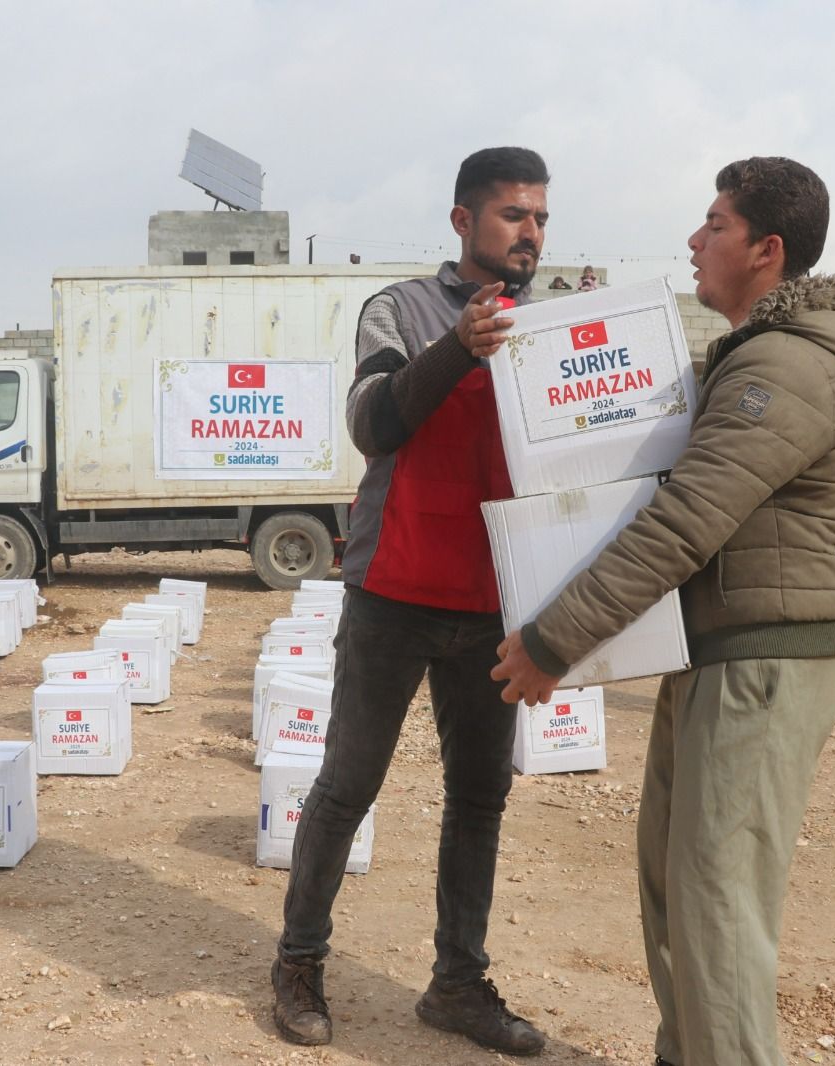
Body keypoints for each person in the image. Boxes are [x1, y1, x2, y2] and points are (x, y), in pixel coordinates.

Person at [490, 156, 835, 1066]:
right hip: (719, 650)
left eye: (714, 224)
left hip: (761, 661)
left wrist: (554, 640)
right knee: (675, 878)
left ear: (767, 250)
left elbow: (682, 526)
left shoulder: (784, 370)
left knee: (717, 897)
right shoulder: (766, 358)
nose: (694, 241)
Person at [270, 147, 549, 1057]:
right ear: (464, 221)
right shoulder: (400, 308)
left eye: (541, 217)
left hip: (493, 605)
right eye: (514, 215)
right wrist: (458, 348)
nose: (531, 233)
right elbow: (375, 422)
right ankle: (299, 962)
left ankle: (457, 984)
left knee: (480, 799)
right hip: (391, 591)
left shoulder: (553, 331)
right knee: (348, 786)